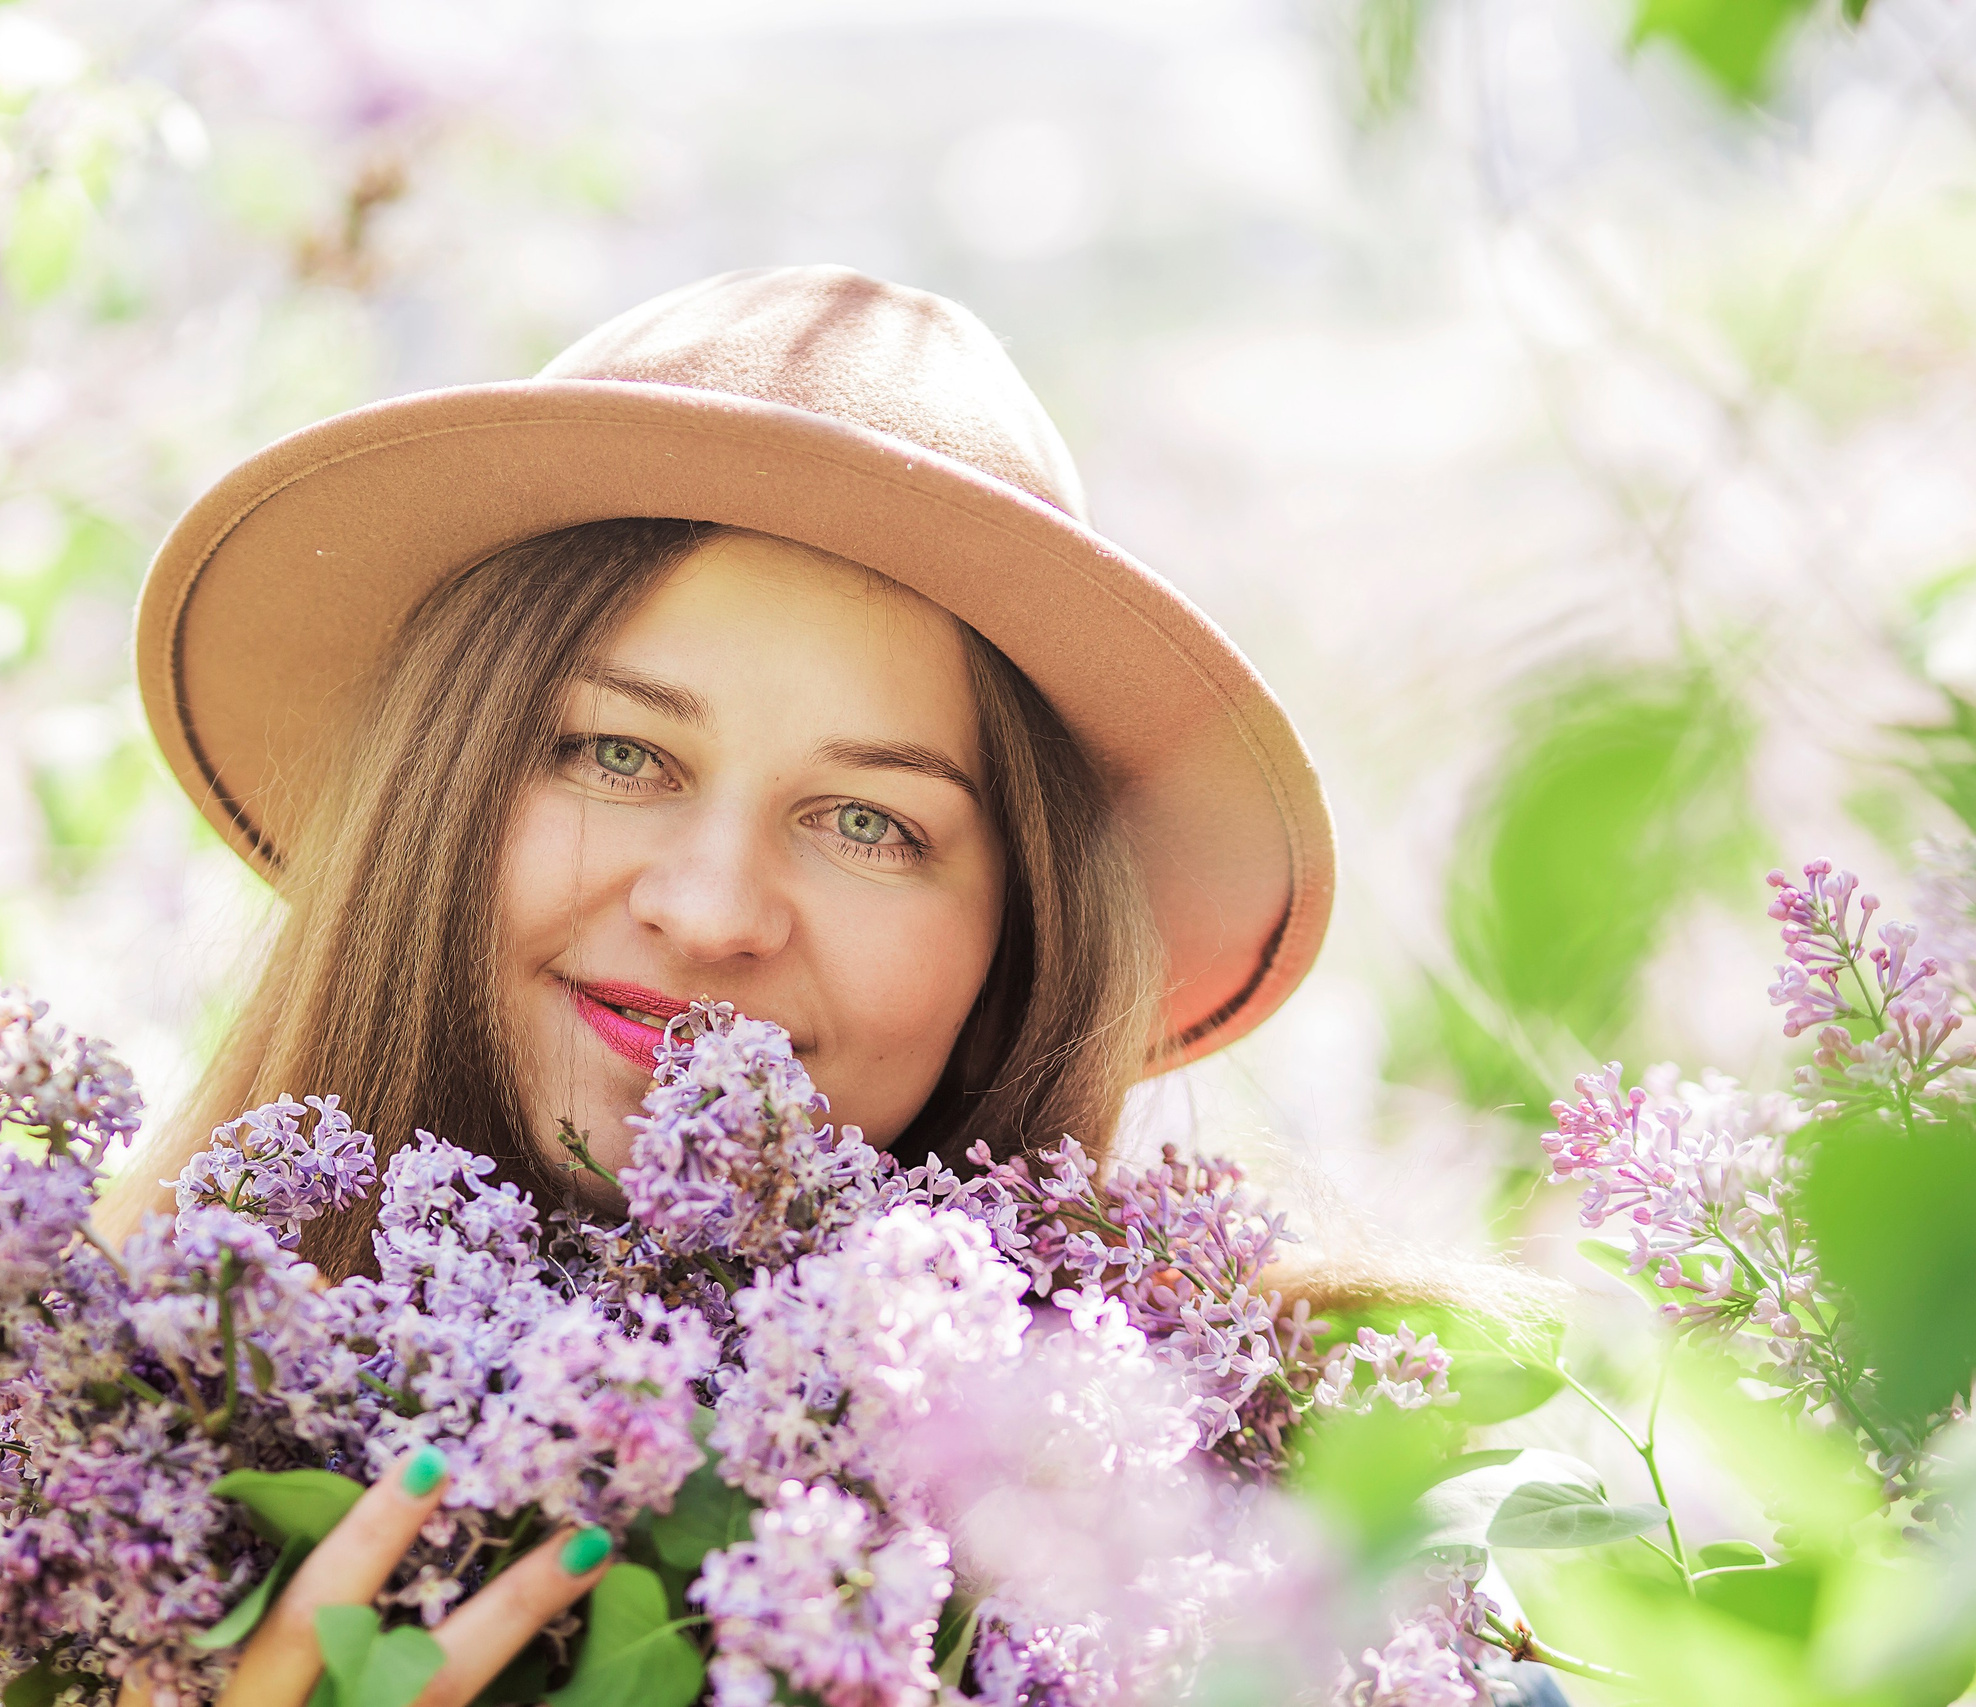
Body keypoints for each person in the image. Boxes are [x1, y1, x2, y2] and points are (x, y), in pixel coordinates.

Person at [82, 266, 1339, 1707]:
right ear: (440, 788)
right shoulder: (77, 1452)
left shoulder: (1274, 1562)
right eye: (619, 754)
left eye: (872, 823)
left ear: (1020, 945)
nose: (712, 911)